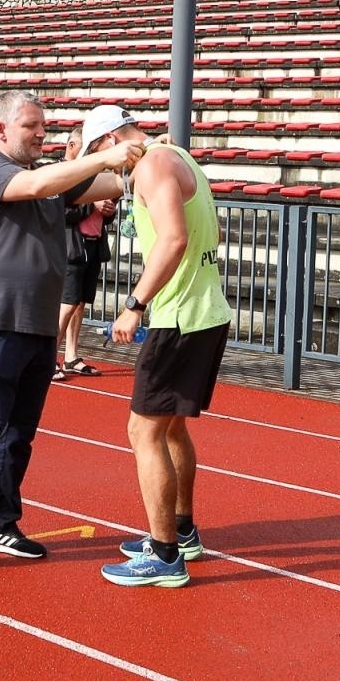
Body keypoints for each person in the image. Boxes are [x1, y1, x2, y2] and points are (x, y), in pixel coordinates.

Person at [0, 93, 143, 579]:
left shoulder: (50, 180)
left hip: (38, 327)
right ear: (0, 131)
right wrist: (105, 155)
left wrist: (148, 155)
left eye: (44, 125)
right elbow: (41, 182)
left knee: (18, 434)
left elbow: (111, 182)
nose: (42, 132)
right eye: (31, 125)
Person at [80, 105, 232, 588]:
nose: (105, 163)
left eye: (98, 153)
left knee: (142, 432)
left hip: (178, 317)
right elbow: (207, 232)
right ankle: (181, 532)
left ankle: (165, 554)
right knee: (170, 430)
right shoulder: (175, 155)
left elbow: (173, 240)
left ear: (110, 140)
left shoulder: (153, 164)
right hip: (203, 310)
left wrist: (135, 304)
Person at [57, 127, 117, 379]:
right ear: (72, 146)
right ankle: (47, 358)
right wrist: (91, 205)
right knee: (67, 303)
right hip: (70, 248)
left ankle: (71, 356)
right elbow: (58, 213)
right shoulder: (58, 173)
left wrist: (108, 209)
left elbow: (105, 214)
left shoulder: (92, 175)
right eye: (86, 149)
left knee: (79, 303)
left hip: (92, 245)